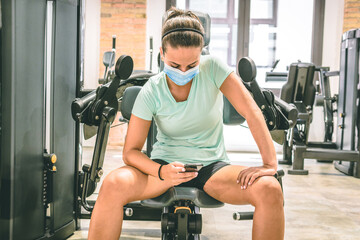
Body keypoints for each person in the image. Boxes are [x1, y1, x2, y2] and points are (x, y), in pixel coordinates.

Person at [88, 7, 284, 240]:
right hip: (163, 167)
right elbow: (130, 152)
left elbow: (252, 112)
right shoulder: (153, 89)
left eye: (191, 65)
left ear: (202, 54)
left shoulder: (213, 68)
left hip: (211, 169)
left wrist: (269, 163)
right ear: (162, 54)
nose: (183, 71)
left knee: (270, 189)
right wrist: (161, 171)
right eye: (174, 65)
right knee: (112, 184)